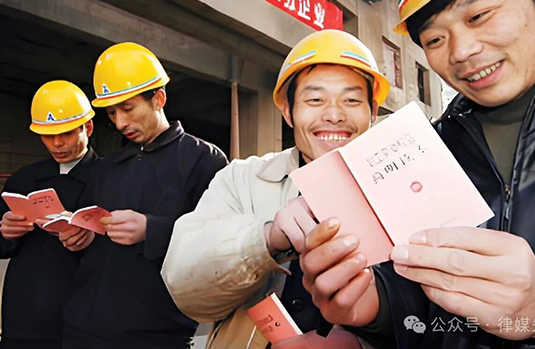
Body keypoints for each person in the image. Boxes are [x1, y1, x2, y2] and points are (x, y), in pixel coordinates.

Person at [298, 0, 535, 348]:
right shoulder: (432, 146)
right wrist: (376, 305)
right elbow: (427, 302)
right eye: (435, 38)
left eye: (478, 16)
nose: (461, 51)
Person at [161, 30, 390, 348]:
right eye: (315, 100)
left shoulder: (403, 185)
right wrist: (266, 238)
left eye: (351, 100)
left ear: (373, 111)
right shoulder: (242, 179)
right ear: (288, 111)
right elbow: (184, 287)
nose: (334, 115)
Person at [62, 42, 228, 349]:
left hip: (156, 335)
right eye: (112, 113)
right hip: (81, 328)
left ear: (159, 98)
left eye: (127, 109)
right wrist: (82, 235)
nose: (120, 123)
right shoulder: (108, 166)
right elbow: (92, 228)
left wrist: (152, 229)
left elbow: (220, 242)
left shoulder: (204, 159)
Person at [0, 80, 98, 349]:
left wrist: (92, 238)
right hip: (21, 318)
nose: (57, 143)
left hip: (82, 321)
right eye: (47, 135)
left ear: (88, 128)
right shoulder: (23, 180)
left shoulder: (110, 178)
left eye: (66, 133)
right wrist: (5, 232)